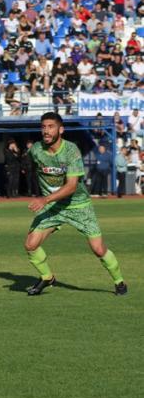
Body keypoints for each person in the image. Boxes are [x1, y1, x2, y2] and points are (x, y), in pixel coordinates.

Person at [24, 112, 127, 296]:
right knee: (31, 244)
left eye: (51, 127)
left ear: (60, 129)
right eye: (43, 127)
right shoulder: (36, 150)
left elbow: (72, 186)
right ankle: (47, 277)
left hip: (78, 205)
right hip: (53, 207)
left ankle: (119, 282)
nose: (46, 131)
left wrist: (44, 199)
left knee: (98, 248)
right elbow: (31, 165)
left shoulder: (71, 151)